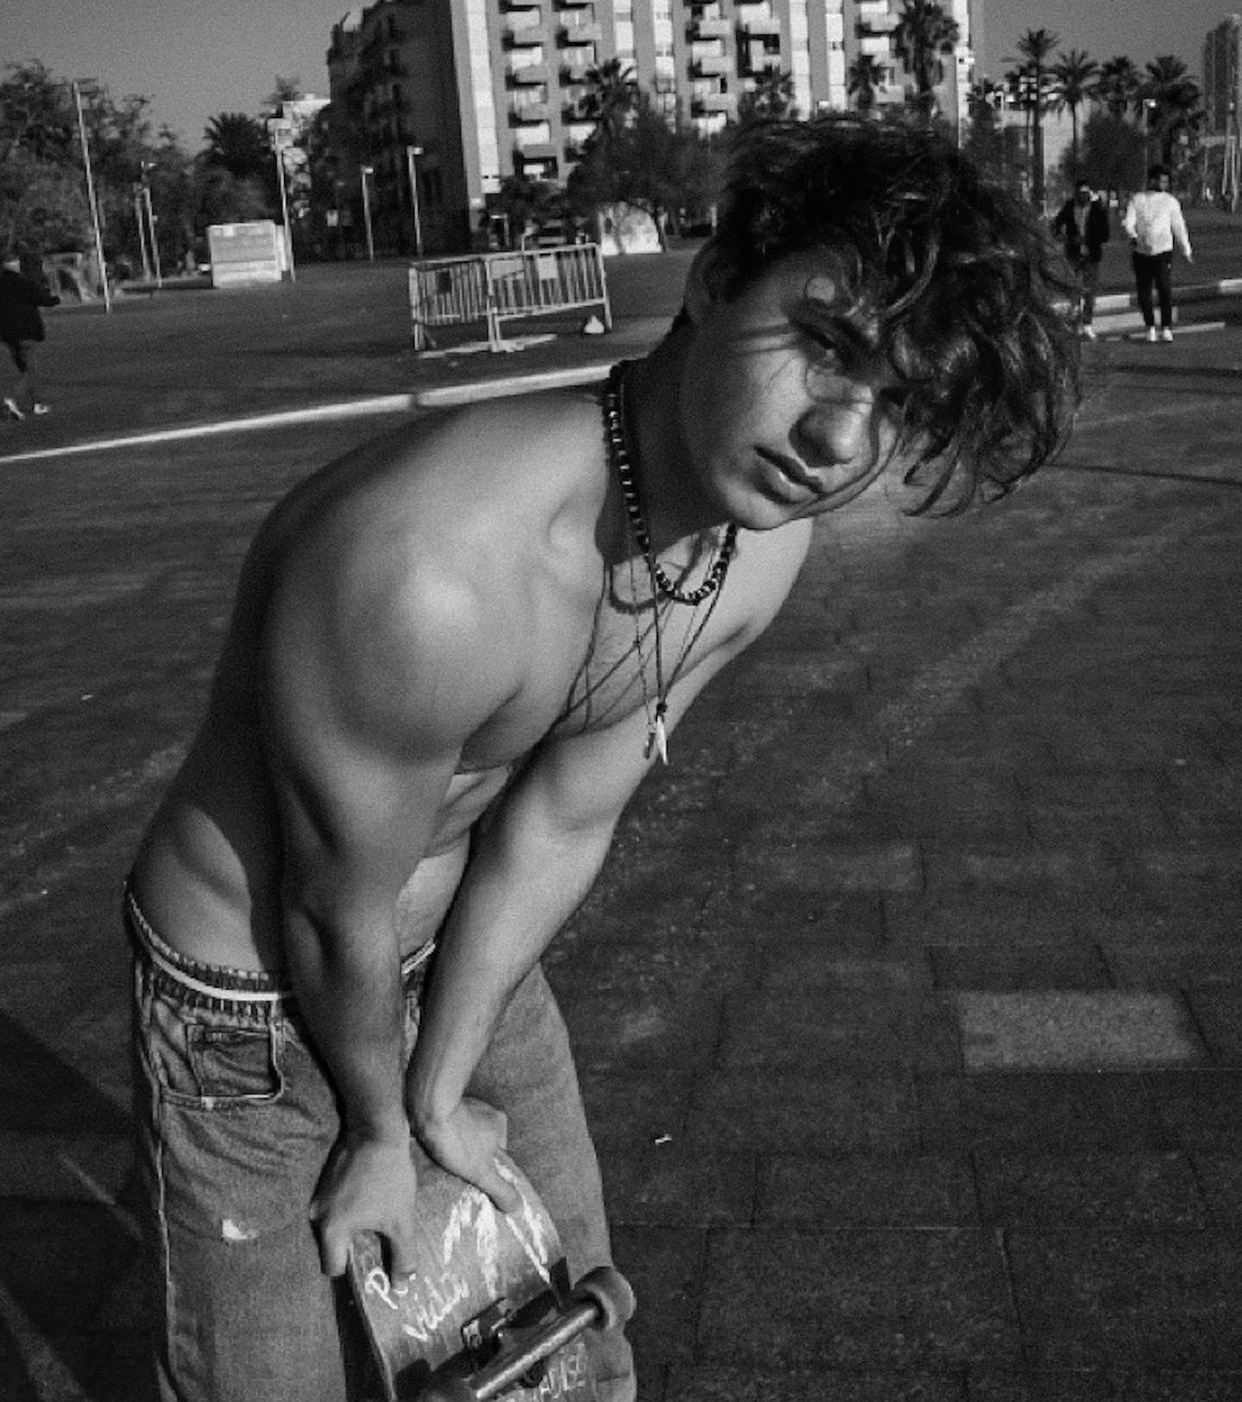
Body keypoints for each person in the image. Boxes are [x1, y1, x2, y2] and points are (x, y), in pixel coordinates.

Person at [125, 116, 1080, 1402]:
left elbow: (562, 820)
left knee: (568, 1356)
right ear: (716, 281)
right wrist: (384, 1128)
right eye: (826, 344)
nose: (839, 443)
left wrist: (443, 1083)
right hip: (248, 1002)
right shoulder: (430, 570)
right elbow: (323, 906)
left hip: (462, 944)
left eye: (898, 401)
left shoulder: (758, 543)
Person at [1123, 163, 1193, 341]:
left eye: (1166, 182)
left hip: (1163, 252)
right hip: (1141, 252)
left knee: (1164, 289)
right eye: (1161, 181)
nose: (1164, 184)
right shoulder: (1138, 199)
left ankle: (1166, 327)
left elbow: (1178, 226)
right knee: (1144, 291)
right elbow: (1129, 221)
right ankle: (1150, 327)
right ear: (1152, 181)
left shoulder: (1170, 201)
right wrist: (1132, 235)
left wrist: (1186, 249)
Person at [0, 253, 60, 420]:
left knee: (24, 368)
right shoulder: (23, 282)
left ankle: (37, 403)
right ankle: (13, 399)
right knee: (30, 370)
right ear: (15, 264)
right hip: (26, 331)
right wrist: (55, 298)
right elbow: (43, 299)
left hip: (7, 334)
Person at [1051, 177, 1111, 339]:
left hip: (1091, 255)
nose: (1083, 196)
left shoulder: (1098, 209)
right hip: (1073, 254)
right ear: (1075, 194)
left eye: (1086, 193)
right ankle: (1075, 324)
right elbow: (1056, 226)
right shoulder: (1069, 207)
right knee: (1073, 289)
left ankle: (1087, 324)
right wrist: (1067, 239)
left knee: (1090, 291)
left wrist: (1089, 239)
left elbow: (1105, 234)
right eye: (1080, 193)